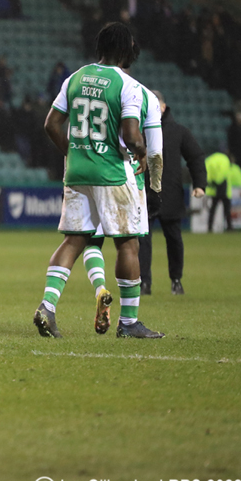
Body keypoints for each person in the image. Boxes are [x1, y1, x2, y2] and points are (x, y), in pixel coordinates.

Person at [33, 22, 163, 339]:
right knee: (128, 244)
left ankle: (47, 307)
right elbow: (132, 134)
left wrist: (75, 152)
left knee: (74, 240)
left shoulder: (75, 77)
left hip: (77, 172)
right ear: (124, 50)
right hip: (112, 173)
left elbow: (51, 124)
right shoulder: (127, 85)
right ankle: (129, 323)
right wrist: (142, 153)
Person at [76, 79, 163, 326]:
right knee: (127, 245)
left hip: (89, 170)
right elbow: (153, 151)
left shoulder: (89, 86)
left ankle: (100, 288)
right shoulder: (142, 96)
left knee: (92, 240)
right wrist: (156, 189)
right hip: (126, 175)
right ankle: (128, 321)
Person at [137, 92, 205, 295]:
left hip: (171, 195)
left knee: (174, 240)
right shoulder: (138, 130)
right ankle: (144, 282)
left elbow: (195, 157)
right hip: (145, 195)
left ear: (164, 107)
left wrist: (199, 184)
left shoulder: (179, 132)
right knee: (142, 240)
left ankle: (176, 280)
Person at [206, 151, 239, 232]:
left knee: (213, 208)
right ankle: (229, 227)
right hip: (223, 187)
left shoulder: (210, 158)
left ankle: (209, 227)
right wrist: (218, 181)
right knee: (227, 209)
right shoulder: (225, 160)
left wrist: (211, 181)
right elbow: (223, 173)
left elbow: (205, 170)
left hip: (214, 188)